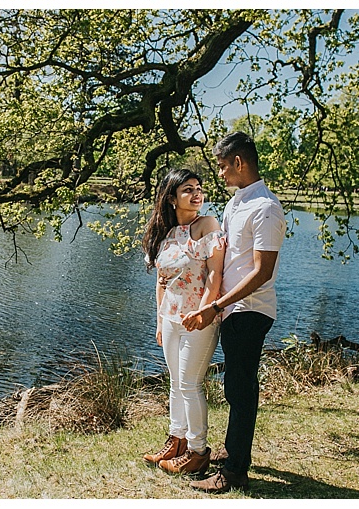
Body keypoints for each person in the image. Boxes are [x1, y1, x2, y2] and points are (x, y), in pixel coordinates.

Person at [185, 132, 286, 495]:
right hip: (231, 308)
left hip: (249, 310)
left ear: (239, 163)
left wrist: (216, 305)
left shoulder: (266, 208)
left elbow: (261, 273)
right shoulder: (235, 204)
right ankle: (234, 450)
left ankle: (235, 472)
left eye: (224, 166)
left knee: (242, 389)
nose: (222, 173)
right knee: (234, 387)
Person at [141, 166, 225, 478]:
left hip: (199, 319)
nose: (196, 193)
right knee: (176, 384)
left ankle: (198, 451)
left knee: (190, 384)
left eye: (198, 187)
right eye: (187, 189)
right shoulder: (167, 235)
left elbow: (216, 273)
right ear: (172, 198)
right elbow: (161, 282)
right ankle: (176, 441)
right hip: (171, 319)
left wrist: (204, 313)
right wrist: (160, 321)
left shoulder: (207, 225)